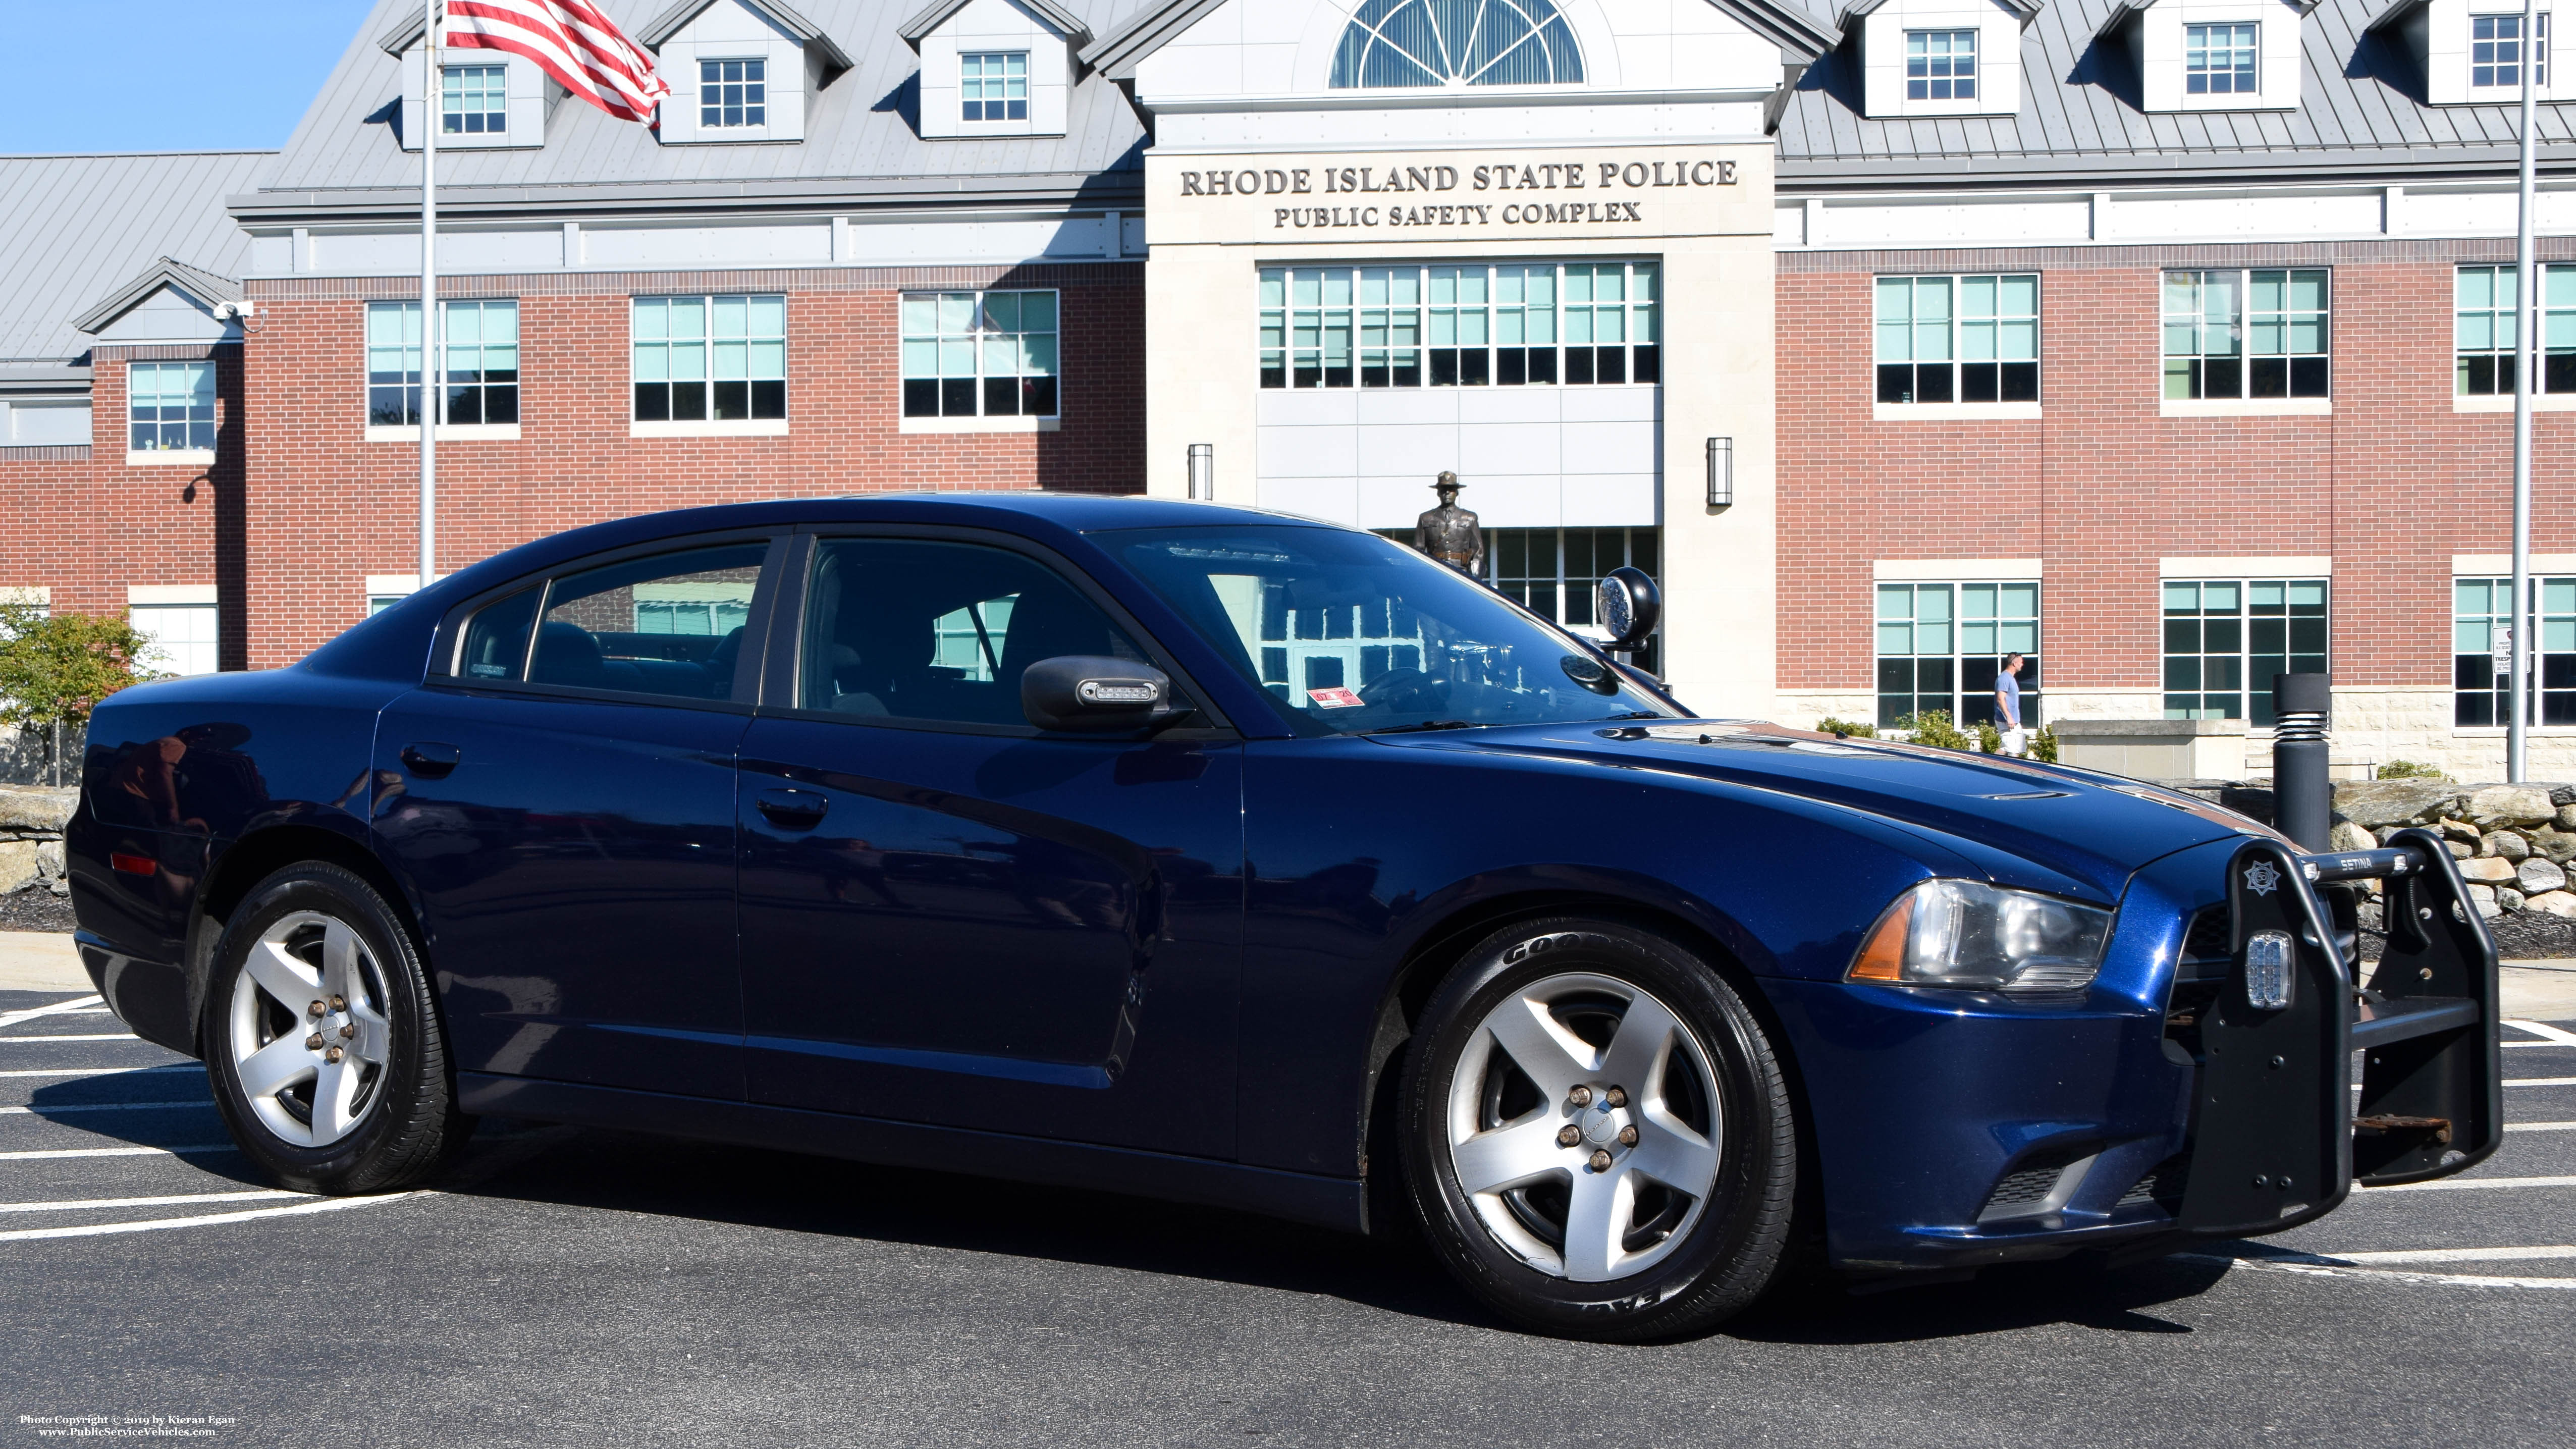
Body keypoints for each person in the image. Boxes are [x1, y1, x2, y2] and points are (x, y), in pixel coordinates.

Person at [1414, 472, 1484, 576]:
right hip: (1435, 570)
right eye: (1443, 490)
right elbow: (1418, 550)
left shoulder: (1470, 518)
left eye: (1451, 489)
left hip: (1461, 572)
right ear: (1438, 493)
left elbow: (1478, 550)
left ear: (1457, 493)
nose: (1447, 493)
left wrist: (1476, 577)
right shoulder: (1426, 518)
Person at [1995, 653, 2028, 756]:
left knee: (2017, 748)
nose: (2022, 665)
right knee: (2009, 748)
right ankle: (1989, 766)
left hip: (2015, 721)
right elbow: (2000, 699)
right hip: (2006, 720)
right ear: (2014, 663)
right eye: (2021, 663)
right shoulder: (2004, 678)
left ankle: (2015, 769)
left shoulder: (2011, 678)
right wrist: (2008, 717)